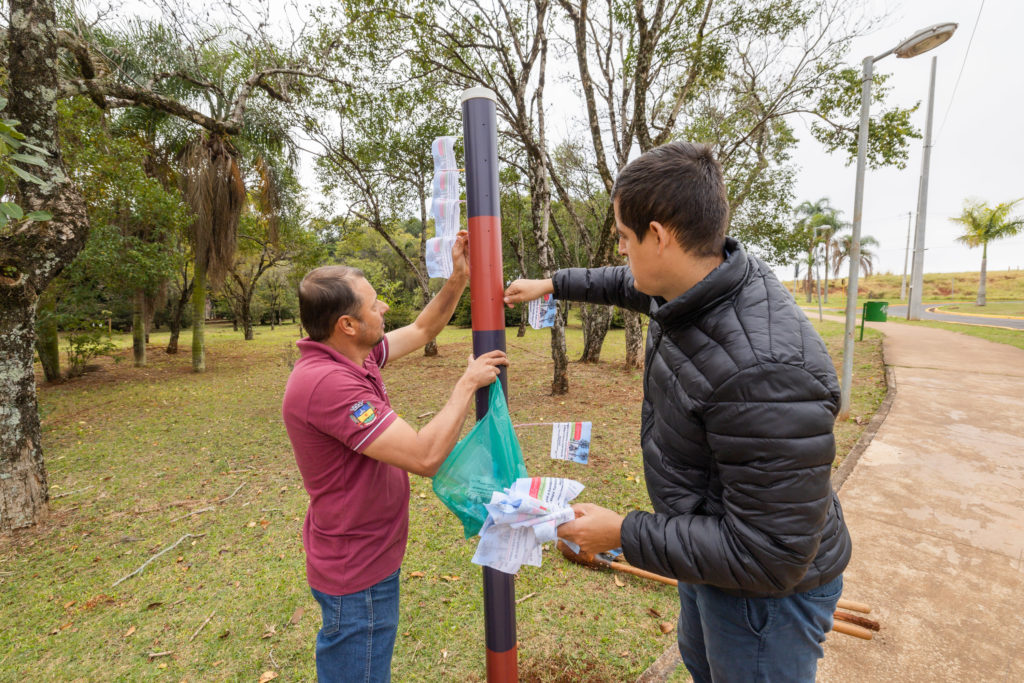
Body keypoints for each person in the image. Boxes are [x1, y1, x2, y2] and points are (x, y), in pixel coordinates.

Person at [504, 142, 852, 682]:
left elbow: (772, 555)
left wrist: (623, 532)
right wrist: (553, 283)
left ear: (660, 236)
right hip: (706, 552)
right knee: (702, 665)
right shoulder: (700, 282)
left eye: (624, 238)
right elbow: (626, 283)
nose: (621, 252)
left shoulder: (763, 372)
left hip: (765, 598)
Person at [282, 230, 507, 683]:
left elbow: (423, 330)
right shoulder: (329, 384)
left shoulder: (353, 355)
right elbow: (424, 457)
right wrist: (466, 384)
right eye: (373, 303)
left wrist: (457, 280)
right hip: (356, 567)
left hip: (369, 551)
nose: (383, 307)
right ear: (347, 323)